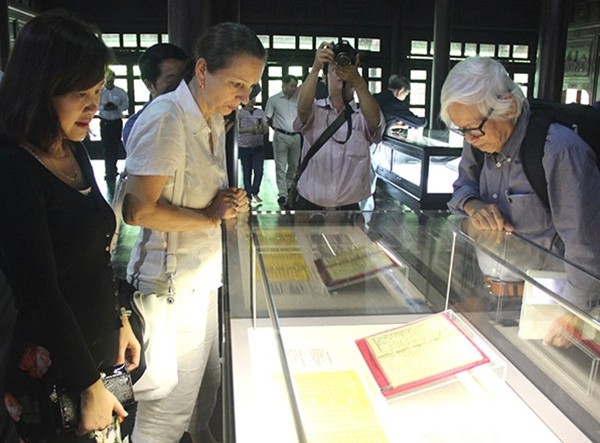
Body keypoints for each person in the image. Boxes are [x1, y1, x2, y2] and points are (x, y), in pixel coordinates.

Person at [122, 22, 265, 443]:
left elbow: (206, 197)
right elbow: (138, 209)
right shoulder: (168, 117)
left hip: (200, 282)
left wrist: (228, 202)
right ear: (202, 71)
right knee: (164, 414)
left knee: (203, 396)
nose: (244, 97)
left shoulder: (212, 119)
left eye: (251, 87)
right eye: (237, 83)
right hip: (169, 287)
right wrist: (207, 217)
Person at [0, 11, 140, 442]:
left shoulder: (70, 148)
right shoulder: (14, 167)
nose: (95, 106)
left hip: (94, 349)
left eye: (98, 90)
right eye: (81, 93)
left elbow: (95, 253)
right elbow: (39, 290)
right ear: (41, 91)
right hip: (54, 369)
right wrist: (89, 386)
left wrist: (120, 317)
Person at [441, 57, 600, 335]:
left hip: (547, 304)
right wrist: (473, 205)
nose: (468, 138)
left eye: (472, 128)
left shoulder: (558, 152)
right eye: (460, 130)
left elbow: (585, 248)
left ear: (509, 106)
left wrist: (572, 315)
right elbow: (461, 190)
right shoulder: (479, 140)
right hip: (490, 296)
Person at [292, 41, 384, 210]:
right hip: (310, 205)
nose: (340, 75)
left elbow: (375, 122)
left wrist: (358, 82)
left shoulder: (363, 114)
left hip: (350, 209)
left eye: (345, 69)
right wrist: (315, 69)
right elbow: (302, 109)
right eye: (334, 70)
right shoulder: (316, 110)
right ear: (325, 78)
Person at [360, 74, 429, 212]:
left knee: (361, 177)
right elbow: (419, 122)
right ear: (402, 90)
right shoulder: (393, 102)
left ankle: (359, 212)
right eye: (406, 94)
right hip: (370, 143)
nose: (405, 98)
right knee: (368, 178)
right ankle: (364, 214)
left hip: (360, 139)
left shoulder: (378, 97)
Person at [122, 43, 189, 146]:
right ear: (149, 85)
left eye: (184, 77)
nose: (181, 85)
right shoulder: (137, 127)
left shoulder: (199, 112)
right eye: (171, 79)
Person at [265, 74, 301, 207]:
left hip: (296, 136)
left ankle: (289, 188)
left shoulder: (298, 100)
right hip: (280, 136)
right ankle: (282, 194)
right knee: (280, 165)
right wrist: (274, 127)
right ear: (284, 85)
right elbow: (267, 117)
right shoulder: (274, 100)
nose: (293, 89)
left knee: (294, 165)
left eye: (295, 86)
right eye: (291, 86)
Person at [99, 69, 128, 200]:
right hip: (105, 121)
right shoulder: (100, 93)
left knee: (115, 146)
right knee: (106, 147)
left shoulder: (120, 92)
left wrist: (116, 107)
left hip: (116, 121)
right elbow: (96, 105)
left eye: (111, 80)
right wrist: (104, 107)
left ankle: (114, 169)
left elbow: (126, 104)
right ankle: (108, 172)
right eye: (107, 80)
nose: (110, 82)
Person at [238, 98, 269, 205]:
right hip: (244, 147)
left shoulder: (260, 112)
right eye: (249, 98)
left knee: (259, 170)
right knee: (246, 171)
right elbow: (237, 129)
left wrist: (262, 129)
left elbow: (266, 127)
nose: (251, 101)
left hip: (258, 146)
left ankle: (255, 191)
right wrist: (249, 130)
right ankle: (248, 195)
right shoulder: (240, 113)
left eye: (253, 98)